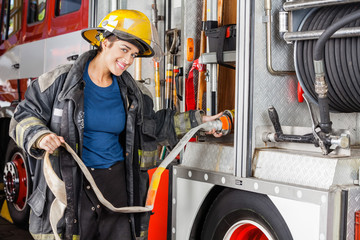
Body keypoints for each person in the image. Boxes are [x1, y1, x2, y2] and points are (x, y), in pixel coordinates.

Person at [9, 9, 222, 240]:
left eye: (134, 54)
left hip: (117, 188)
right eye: (124, 49)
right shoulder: (59, 82)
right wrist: (40, 135)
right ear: (104, 42)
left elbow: (157, 126)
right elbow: (23, 115)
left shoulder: (135, 93)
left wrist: (199, 121)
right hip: (73, 187)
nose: (129, 60)